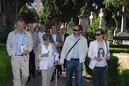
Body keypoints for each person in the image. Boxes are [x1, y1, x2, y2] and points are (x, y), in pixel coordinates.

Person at [6, 19, 33, 86]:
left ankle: (22, 84)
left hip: (24, 57)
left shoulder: (28, 34)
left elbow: (31, 45)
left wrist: (28, 50)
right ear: (16, 25)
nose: (20, 27)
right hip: (15, 57)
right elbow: (8, 44)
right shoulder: (11, 34)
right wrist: (11, 54)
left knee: (26, 75)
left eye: (21, 26)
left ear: (24, 26)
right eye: (18, 25)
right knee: (16, 77)